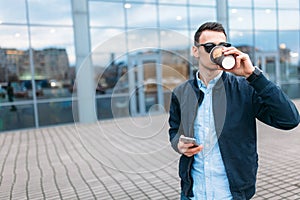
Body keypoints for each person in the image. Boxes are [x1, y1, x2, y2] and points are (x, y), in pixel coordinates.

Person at [168, 22, 300, 200]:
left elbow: (289, 119)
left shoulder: (245, 89)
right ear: (195, 51)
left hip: (232, 194)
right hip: (193, 192)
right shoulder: (181, 93)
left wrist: (253, 75)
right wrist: (179, 145)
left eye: (222, 46)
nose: (217, 51)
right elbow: (174, 131)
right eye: (209, 47)